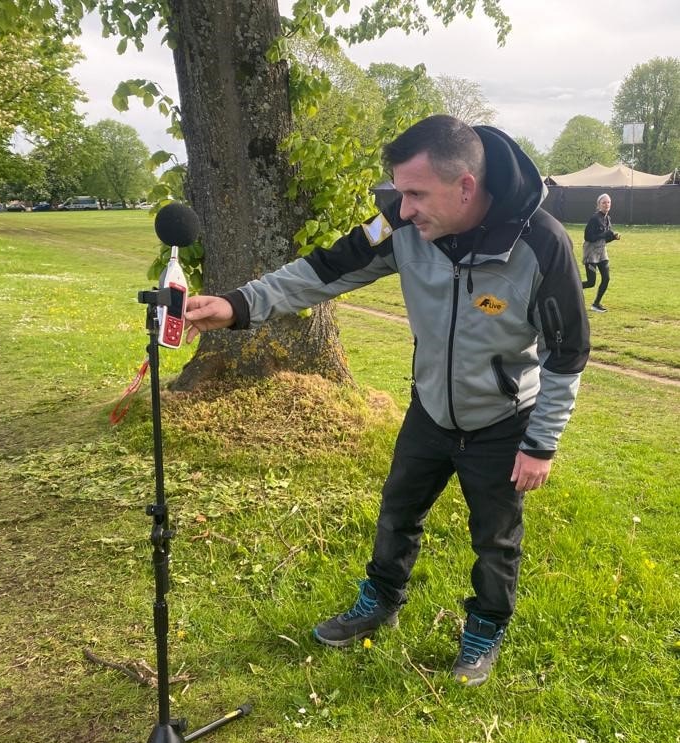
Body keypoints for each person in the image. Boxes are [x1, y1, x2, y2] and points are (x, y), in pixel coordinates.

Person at [183, 115, 590, 687]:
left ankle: (485, 627)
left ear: (466, 186)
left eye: (416, 193)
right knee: (398, 510)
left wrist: (540, 443)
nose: (403, 209)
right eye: (399, 193)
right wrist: (236, 306)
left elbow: (567, 351)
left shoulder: (541, 242)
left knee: (495, 535)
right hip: (430, 409)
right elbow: (323, 270)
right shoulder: (398, 226)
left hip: (503, 418)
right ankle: (380, 601)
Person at [582, 193, 620, 313]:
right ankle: (570, 288)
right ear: (598, 205)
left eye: (608, 202)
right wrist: (605, 234)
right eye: (604, 202)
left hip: (602, 252)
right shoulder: (594, 218)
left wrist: (613, 237)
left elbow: (605, 239)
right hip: (591, 253)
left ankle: (596, 304)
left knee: (606, 278)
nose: (606, 204)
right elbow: (588, 237)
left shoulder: (607, 218)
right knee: (590, 282)